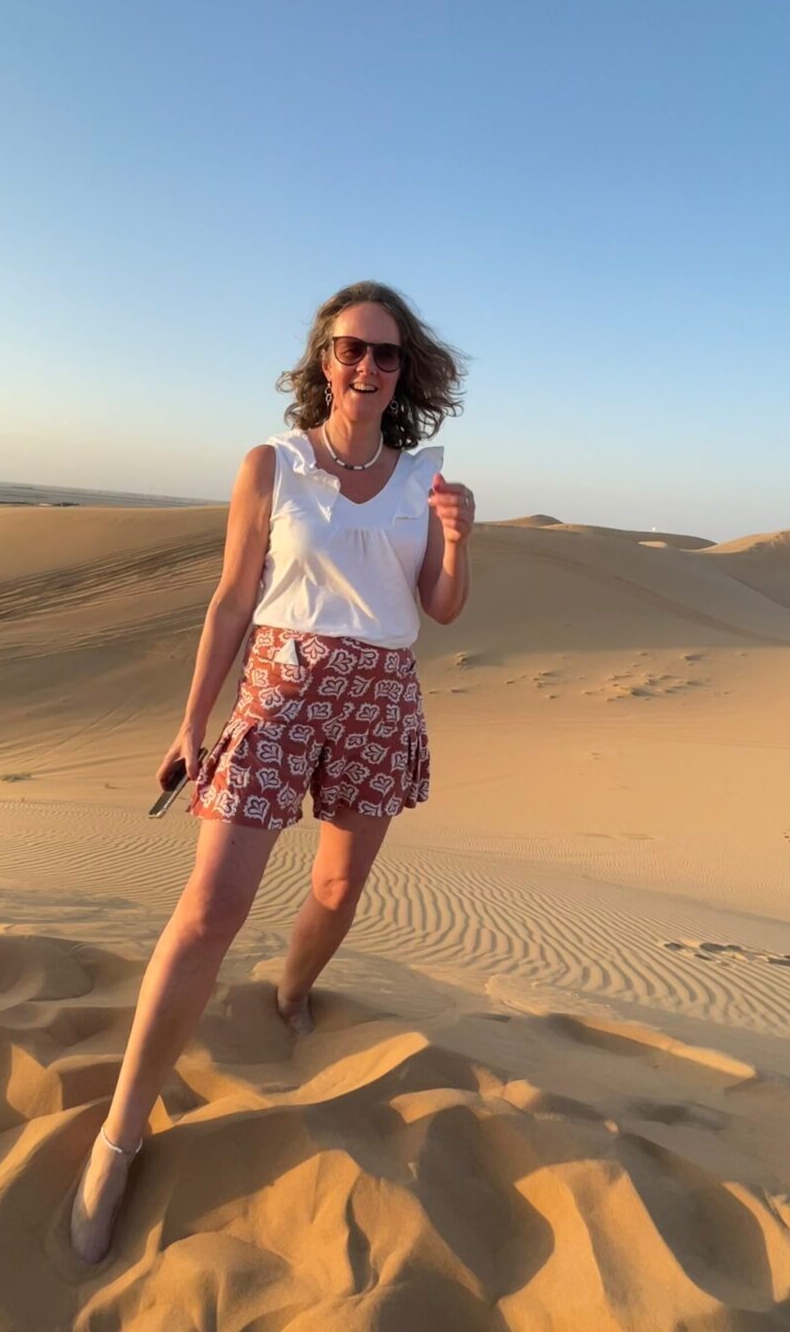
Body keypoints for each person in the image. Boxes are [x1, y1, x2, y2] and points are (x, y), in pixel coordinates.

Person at [70, 280, 474, 1262]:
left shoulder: (427, 477)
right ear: (322, 359)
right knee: (210, 908)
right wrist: (189, 720)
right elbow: (229, 599)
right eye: (350, 349)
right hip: (280, 685)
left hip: (381, 694)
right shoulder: (274, 464)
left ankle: (291, 994)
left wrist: (458, 538)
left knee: (337, 891)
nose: (366, 368)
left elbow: (444, 607)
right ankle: (119, 1137)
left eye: (385, 355)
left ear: (403, 371)